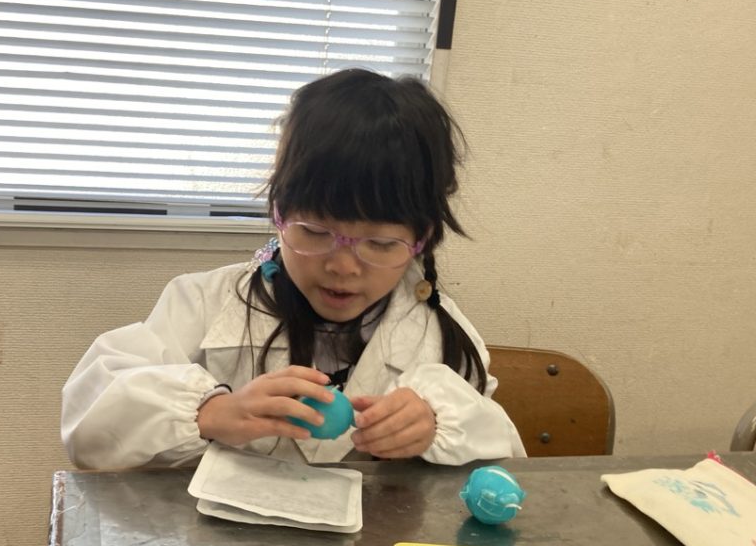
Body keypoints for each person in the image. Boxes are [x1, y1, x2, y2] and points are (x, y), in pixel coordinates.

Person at [62, 68, 526, 469]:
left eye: (381, 243)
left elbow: (507, 466)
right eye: (315, 232)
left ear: (421, 239)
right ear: (279, 214)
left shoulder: (441, 334)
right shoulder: (202, 303)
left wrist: (439, 425)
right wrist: (208, 412)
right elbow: (89, 424)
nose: (342, 266)